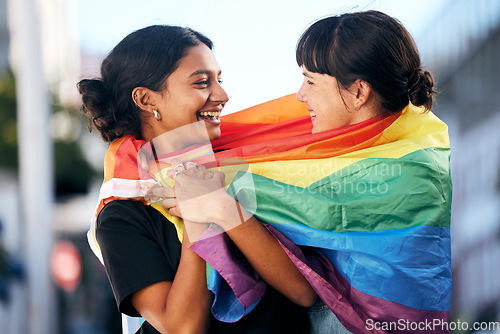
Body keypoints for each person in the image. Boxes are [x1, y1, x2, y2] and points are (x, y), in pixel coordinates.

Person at [157, 10, 452, 334]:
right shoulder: (332, 159)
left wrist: (221, 205)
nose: (300, 95)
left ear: (358, 92)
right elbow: (305, 281)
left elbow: (313, 289)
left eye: (310, 81)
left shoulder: (409, 174)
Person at [78, 25, 312, 334]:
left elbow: (303, 293)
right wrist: (196, 217)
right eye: (202, 82)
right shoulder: (122, 214)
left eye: (219, 80)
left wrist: (222, 206)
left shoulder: (241, 173)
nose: (223, 95)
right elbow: (182, 328)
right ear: (146, 99)